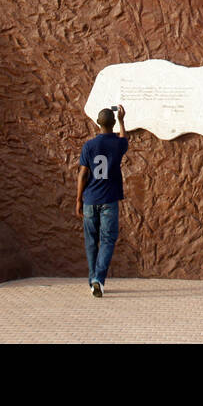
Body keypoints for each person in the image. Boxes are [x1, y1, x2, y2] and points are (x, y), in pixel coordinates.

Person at [76, 104, 129, 297]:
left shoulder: (89, 146)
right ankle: (98, 278)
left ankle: (93, 281)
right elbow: (124, 138)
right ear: (113, 123)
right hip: (109, 200)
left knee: (91, 241)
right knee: (107, 239)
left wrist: (78, 200)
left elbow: (82, 175)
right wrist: (123, 121)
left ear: (98, 123)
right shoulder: (117, 144)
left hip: (90, 199)